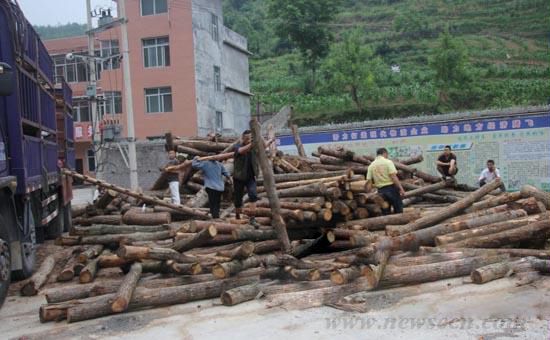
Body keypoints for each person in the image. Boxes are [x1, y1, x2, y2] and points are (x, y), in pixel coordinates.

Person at [232, 130, 275, 226]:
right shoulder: (237, 147)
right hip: (239, 177)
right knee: (238, 200)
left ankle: (252, 218)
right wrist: (252, 143)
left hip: (251, 177)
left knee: (253, 195)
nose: (248, 140)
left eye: (250, 138)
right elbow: (241, 151)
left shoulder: (254, 147)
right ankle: (238, 214)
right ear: (243, 139)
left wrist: (267, 139)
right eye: (247, 138)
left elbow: (263, 146)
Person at [366, 148, 406, 215]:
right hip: (391, 189)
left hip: (380, 191)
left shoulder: (371, 166)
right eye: (387, 154)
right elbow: (393, 177)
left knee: (385, 211)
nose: (387, 156)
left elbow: (369, 181)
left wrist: (369, 193)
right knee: (398, 209)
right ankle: (400, 224)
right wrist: (401, 189)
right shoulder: (388, 162)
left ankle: (387, 224)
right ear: (384, 153)